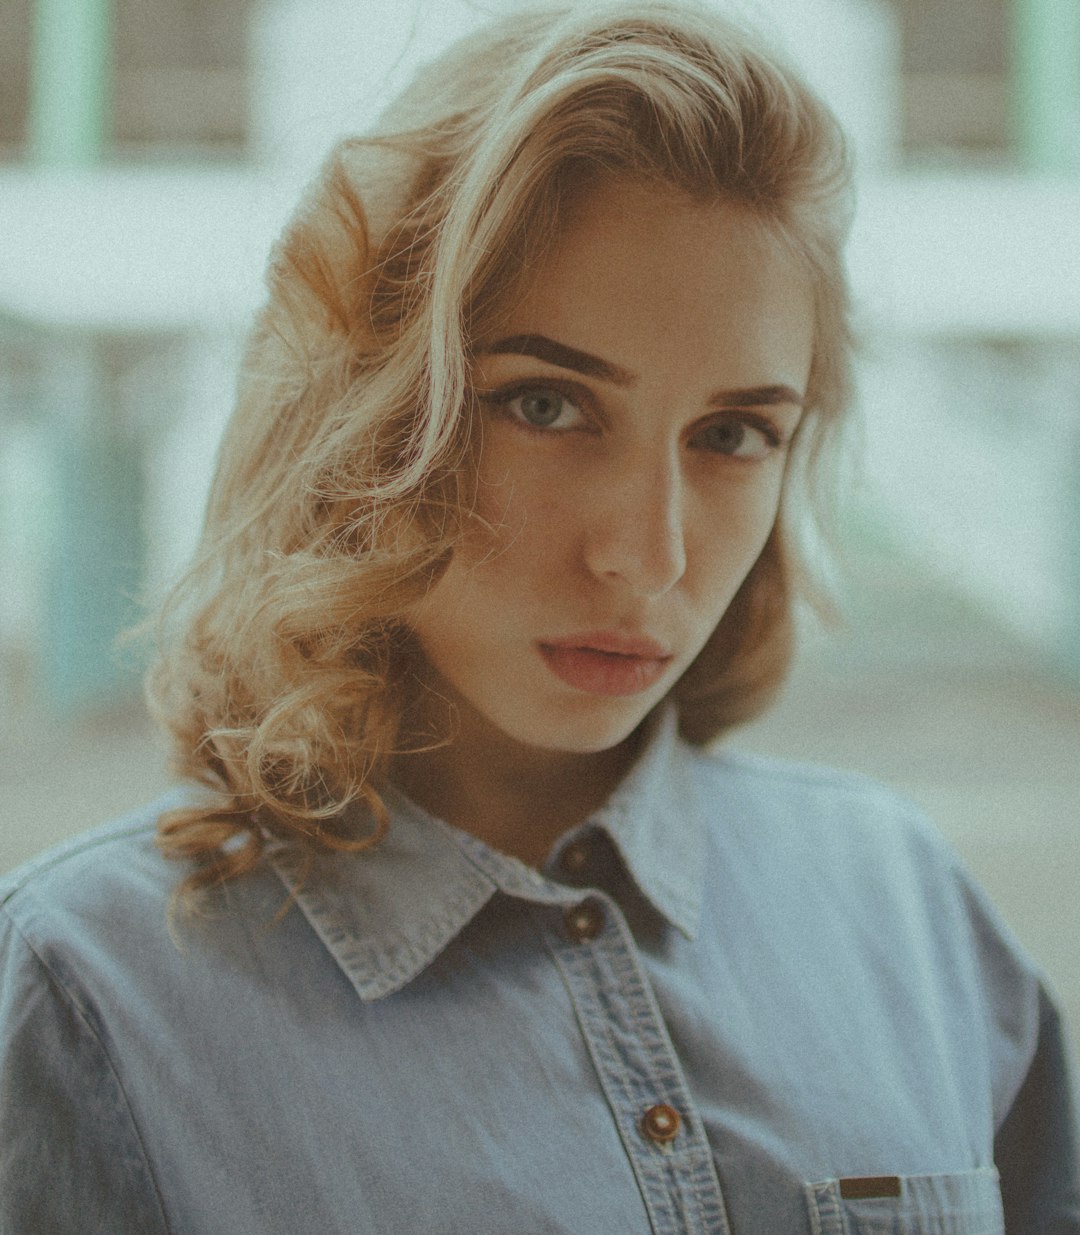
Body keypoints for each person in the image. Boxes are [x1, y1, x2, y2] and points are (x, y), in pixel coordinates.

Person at [2, 2, 1078, 1231]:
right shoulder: (90, 992)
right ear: (368, 408)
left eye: (733, 435)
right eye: (547, 406)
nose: (647, 553)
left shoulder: (910, 908)